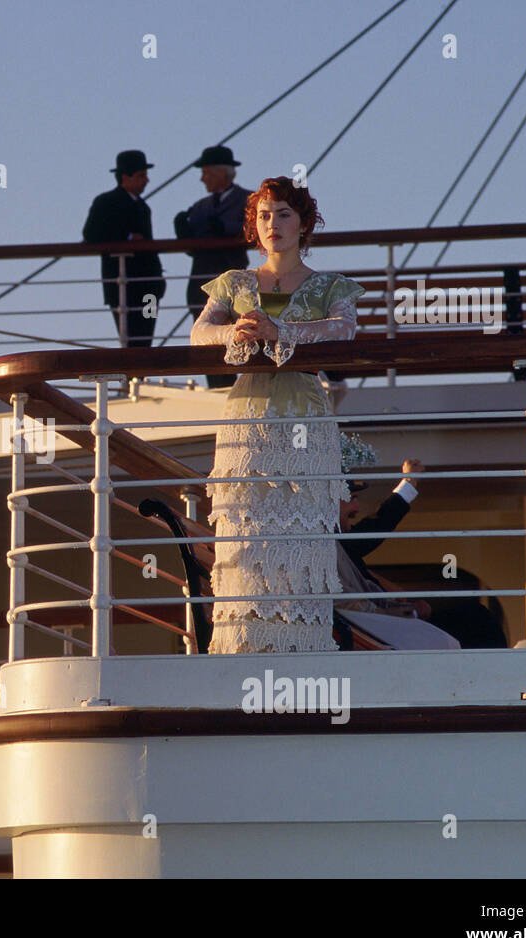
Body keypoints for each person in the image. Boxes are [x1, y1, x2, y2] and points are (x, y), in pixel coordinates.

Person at [189, 176, 365, 653]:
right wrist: (236, 333)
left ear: (304, 222)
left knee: (300, 531)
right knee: (247, 530)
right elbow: (199, 331)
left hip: (304, 415)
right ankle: (245, 644)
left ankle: (299, 647)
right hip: (247, 420)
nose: (273, 224)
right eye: (264, 215)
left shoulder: (331, 285)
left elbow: (344, 329)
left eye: (284, 213)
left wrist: (279, 329)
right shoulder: (234, 283)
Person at [342, 465, 509, 648]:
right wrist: (408, 611)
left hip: (391, 624)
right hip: (388, 628)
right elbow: (376, 527)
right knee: (477, 619)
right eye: (352, 499)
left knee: (476, 617)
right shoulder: (329, 545)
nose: (357, 507)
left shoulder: (340, 544)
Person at [174, 145, 251, 389]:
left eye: (206, 172)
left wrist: (227, 229)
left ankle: (237, 387)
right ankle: (217, 387)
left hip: (232, 281)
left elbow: (252, 232)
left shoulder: (249, 201)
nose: (202, 178)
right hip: (200, 281)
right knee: (206, 335)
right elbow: (191, 247)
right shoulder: (199, 207)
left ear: (223, 173)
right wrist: (184, 234)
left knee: (236, 333)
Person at [82, 150, 167, 348]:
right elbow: (91, 234)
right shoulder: (106, 202)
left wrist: (159, 281)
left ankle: (140, 375)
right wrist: (127, 238)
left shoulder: (143, 207)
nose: (146, 180)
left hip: (149, 286)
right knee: (131, 338)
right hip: (123, 285)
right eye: (141, 176)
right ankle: (136, 376)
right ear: (125, 177)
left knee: (145, 337)